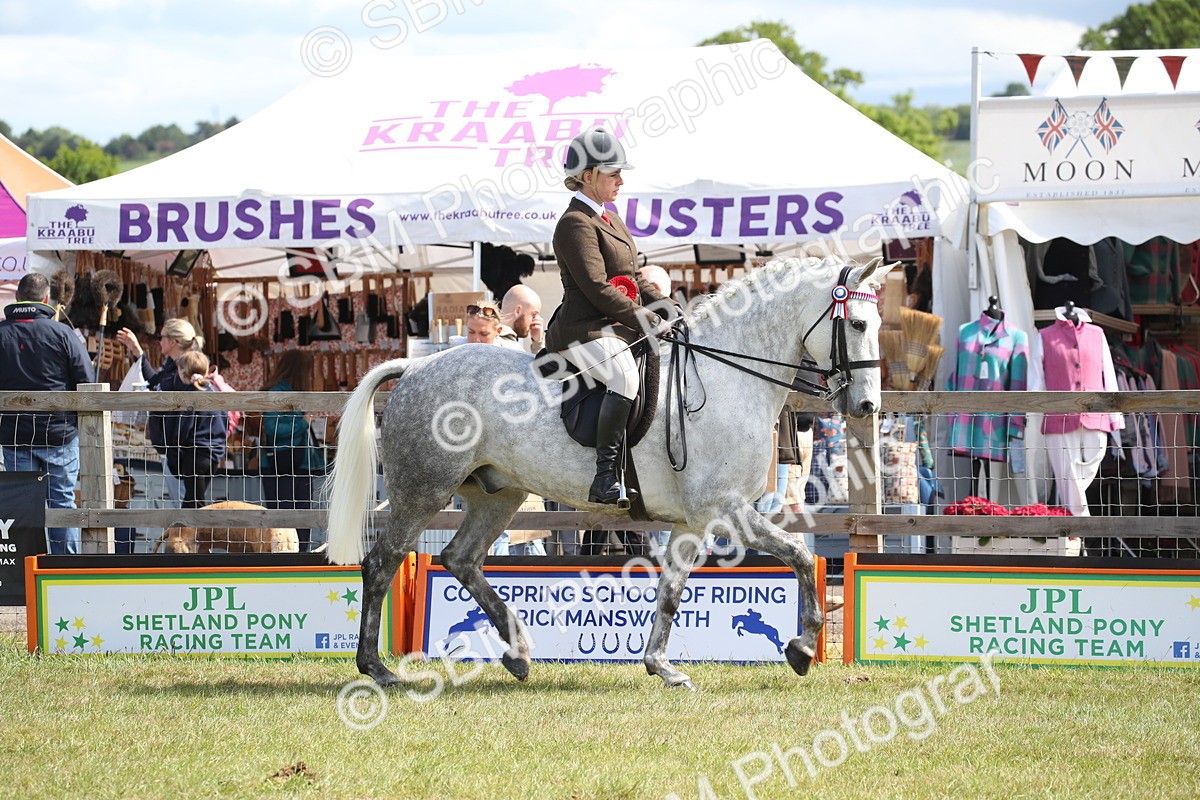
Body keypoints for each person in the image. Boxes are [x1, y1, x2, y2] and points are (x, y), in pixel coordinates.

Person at [546, 127, 674, 504]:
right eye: (612, 173)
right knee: (624, 375)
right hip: (582, 329)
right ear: (587, 176)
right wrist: (645, 320)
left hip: (612, 326)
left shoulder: (611, 220)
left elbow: (631, 279)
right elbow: (597, 287)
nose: (621, 180)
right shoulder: (574, 224)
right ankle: (604, 477)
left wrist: (670, 309)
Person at [0, 273, 95, 554]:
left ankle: (25, 575)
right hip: (59, 434)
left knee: (21, 505)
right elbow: (87, 381)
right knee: (62, 504)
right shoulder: (63, 333)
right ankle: (65, 573)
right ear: (46, 300)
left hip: (15, 435)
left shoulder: (1, 333)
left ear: (17, 298)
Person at [116, 318, 206, 502]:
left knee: (184, 507)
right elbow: (155, 382)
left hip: (181, 454)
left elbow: (186, 416)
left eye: (162, 336)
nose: (159, 341)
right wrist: (138, 352)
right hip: (173, 452)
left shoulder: (185, 373)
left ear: (173, 342)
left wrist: (175, 450)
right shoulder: (174, 368)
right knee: (181, 506)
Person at [259, 351, 324, 551]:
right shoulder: (277, 393)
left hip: (297, 464)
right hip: (283, 464)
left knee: (299, 519)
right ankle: (290, 563)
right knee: (287, 520)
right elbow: (273, 428)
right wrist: (303, 423)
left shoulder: (290, 391)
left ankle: (297, 561)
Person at [147, 350, 228, 509]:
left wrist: (173, 453)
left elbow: (183, 429)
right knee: (193, 500)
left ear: (181, 372)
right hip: (214, 455)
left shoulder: (190, 395)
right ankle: (184, 533)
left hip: (194, 454)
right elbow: (225, 420)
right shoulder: (214, 391)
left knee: (195, 503)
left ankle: (195, 533)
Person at [497, 285, 545, 353]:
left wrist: (537, 343)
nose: (535, 321)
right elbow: (540, 363)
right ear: (517, 311)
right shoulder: (509, 347)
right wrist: (538, 344)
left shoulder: (490, 337)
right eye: (533, 315)